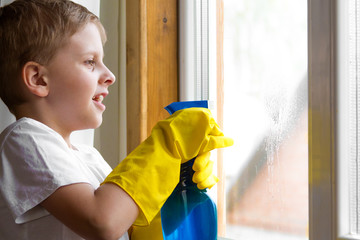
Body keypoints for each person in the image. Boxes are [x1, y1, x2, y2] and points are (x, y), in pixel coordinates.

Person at [0, 1, 233, 240]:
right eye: (90, 61)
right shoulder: (24, 139)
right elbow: (102, 222)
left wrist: (173, 195)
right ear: (38, 79)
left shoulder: (89, 158)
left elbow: (124, 229)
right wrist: (165, 147)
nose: (110, 76)